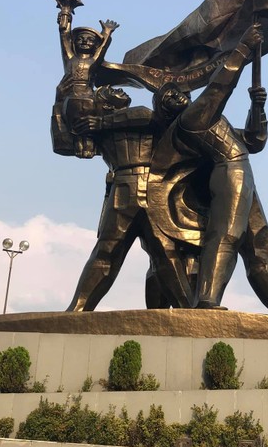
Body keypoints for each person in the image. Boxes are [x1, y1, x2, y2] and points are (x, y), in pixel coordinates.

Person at [150, 23, 268, 314]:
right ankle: (207, 301)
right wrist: (243, 49)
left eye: (177, 92)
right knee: (227, 234)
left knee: (263, 251)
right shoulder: (190, 121)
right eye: (168, 99)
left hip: (242, 173)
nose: (176, 96)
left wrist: (257, 109)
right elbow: (219, 88)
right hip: (229, 171)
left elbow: (253, 142)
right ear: (166, 113)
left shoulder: (214, 120)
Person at [65, 86, 194, 311]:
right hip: (124, 188)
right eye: (110, 90)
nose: (119, 89)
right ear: (104, 104)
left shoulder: (134, 118)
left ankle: (187, 309)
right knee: (107, 251)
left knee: (164, 251)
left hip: (151, 188)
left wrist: (102, 123)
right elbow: (68, 135)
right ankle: (78, 308)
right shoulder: (100, 127)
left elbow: (147, 115)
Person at [55, 1, 119, 158]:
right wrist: (66, 12)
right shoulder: (70, 58)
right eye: (81, 39)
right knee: (76, 128)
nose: (85, 41)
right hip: (72, 98)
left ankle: (90, 146)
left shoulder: (93, 61)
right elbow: (64, 36)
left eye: (90, 40)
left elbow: (102, 49)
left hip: (89, 97)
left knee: (89, 128)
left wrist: (107, 33)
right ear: (75, 42)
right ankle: (77, 145)